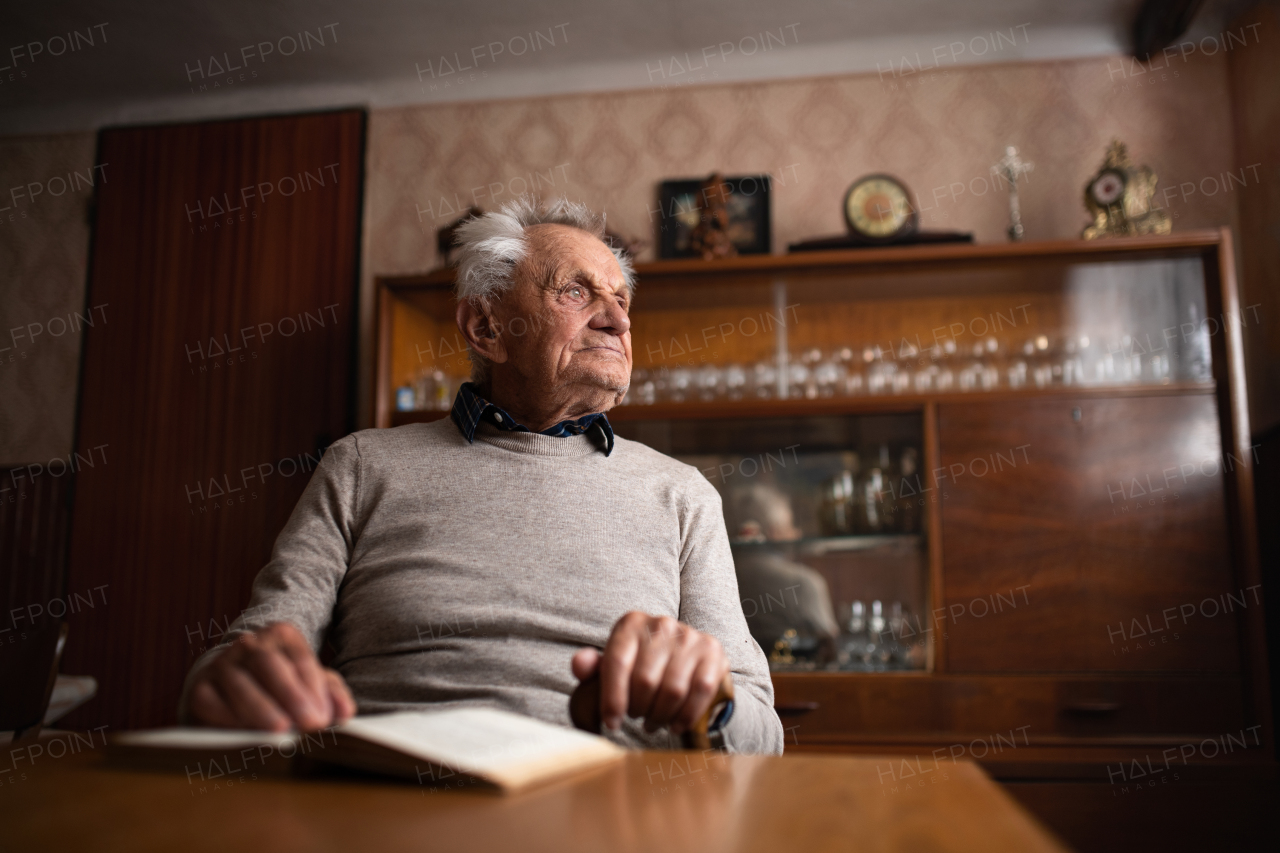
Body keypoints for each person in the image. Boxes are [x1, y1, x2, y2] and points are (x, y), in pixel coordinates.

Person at [180, 197, 783, 754]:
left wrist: (714, 704)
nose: (618, 322)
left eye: (621, 299)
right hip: (388, 801)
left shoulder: (681, 495)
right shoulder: (361, 466)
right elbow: (246, 656)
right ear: (486, 328)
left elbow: (763, 732)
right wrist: (231, 681)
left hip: (609, 811)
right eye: (575, 292)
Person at [728, 484, 840, 659]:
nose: (797, 533)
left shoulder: (723, 577)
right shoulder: (804, 582)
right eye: (791, 525)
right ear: (775, 531)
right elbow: (830, 647)